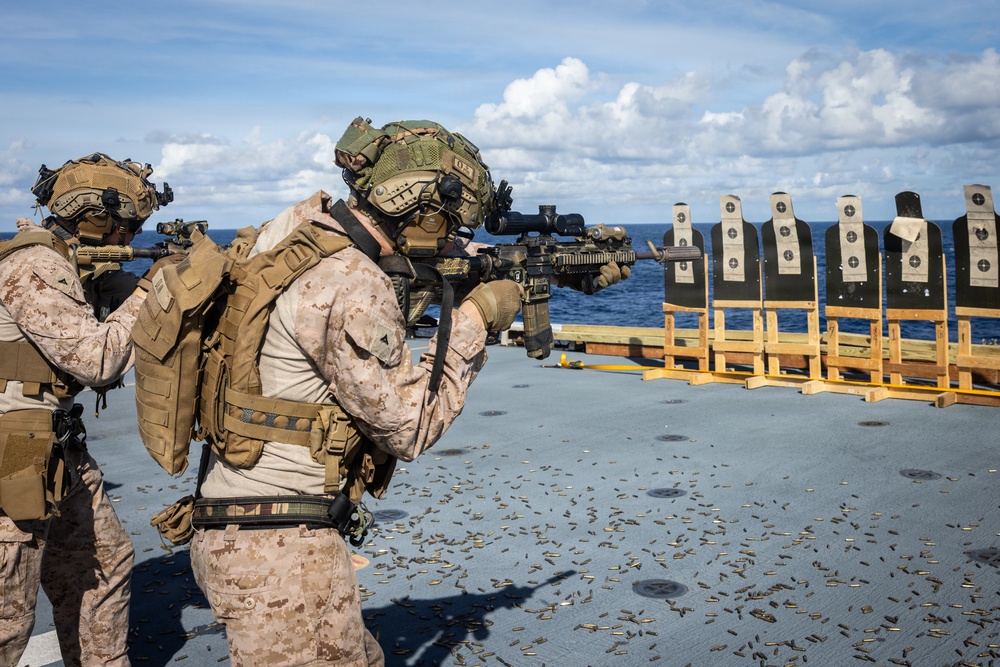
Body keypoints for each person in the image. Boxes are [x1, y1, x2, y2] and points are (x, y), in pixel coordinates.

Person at [185, 117, 627, 666]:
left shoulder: (300, 230)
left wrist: (556, 271)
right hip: (281, 552)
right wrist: (477, 319)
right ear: (422, 209)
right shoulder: (352, 282)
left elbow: (436, 261)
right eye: (448, 222)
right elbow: (409, 427)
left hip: (243, 524)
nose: (451, 237)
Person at [0, 152, 173, 667]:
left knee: (100, 563)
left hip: (52, 445)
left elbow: (115, 323)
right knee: (8, 613)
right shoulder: (35, 265)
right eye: (127, 227)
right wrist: (152, 285)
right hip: (13, 452)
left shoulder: (65, 261)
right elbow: (98, 360)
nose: (129, 239)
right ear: (96, 218)